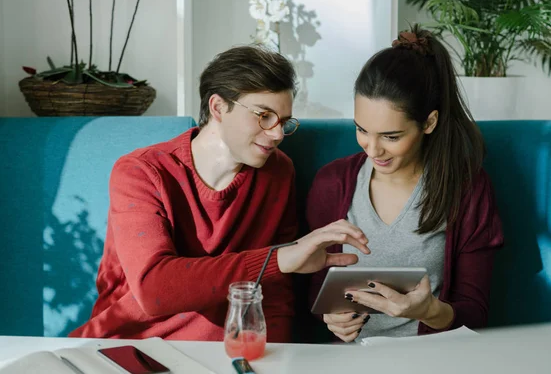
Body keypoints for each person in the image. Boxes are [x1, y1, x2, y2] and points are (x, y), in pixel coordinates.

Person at [70, 45, 370, 342]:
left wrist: (271, 358)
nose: (278, 134)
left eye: (283, 121)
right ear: (218, 107)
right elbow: (154, 289)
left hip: (229, 354)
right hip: (131, 347)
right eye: (264, 116)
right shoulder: (141, 172)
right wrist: (278, 260)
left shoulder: (277, 171)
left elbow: (275, 294)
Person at [306, 25, 504, 343]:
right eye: (362, 130)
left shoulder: (466, 189)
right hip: (349, 363)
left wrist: (430, 311)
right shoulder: (333, 184)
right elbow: (316, 289)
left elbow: (476, 312)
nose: (372, 149)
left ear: (429, 122)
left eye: (391, 136)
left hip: (429, 360)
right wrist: (330, 317)